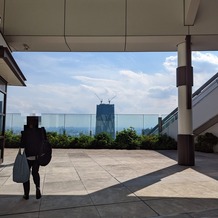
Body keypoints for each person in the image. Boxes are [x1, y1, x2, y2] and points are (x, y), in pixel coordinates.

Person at [20, 116, 47, 200]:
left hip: (27, 157)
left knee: (26, 175)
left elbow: (22, 144)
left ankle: (26, 194)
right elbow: (45, 141)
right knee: (35, 173)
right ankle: (38, 188)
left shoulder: (26, 131)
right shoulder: (41, 131)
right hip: (37, 156)